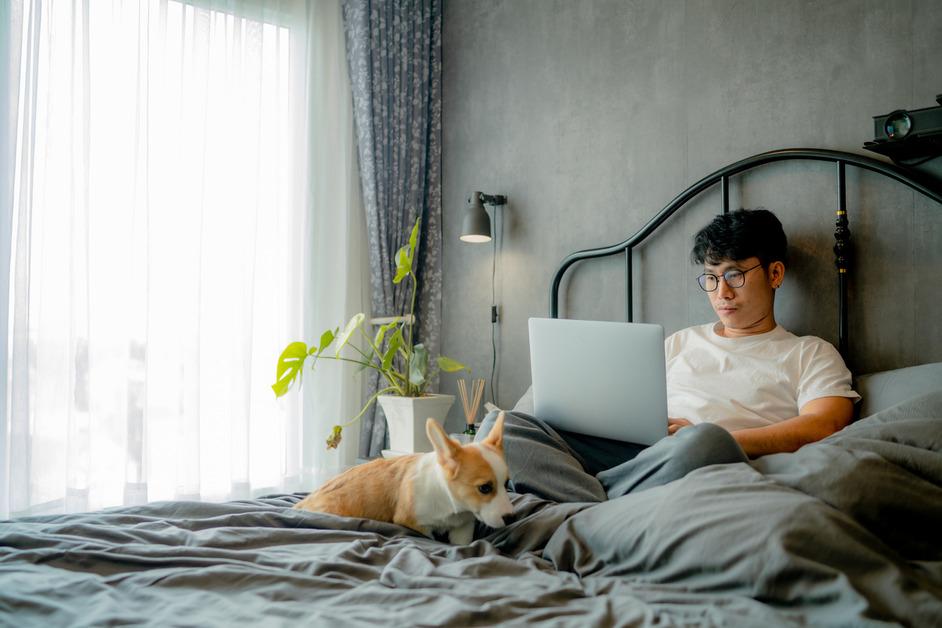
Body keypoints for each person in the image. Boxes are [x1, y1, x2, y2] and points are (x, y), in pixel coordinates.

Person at [476, 208, 859, 504]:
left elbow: (823, 426)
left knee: (704, 441)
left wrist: (720, 436)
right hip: (635, 456)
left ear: (775, 274)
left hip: (703, 460)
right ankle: (601, 504)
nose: (721, 293)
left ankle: (585, 501)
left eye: (734, 276)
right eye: (710, 278)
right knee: (502, 424)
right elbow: (622, 403)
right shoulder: (679, 342)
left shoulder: (810, 353)